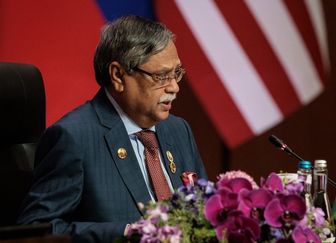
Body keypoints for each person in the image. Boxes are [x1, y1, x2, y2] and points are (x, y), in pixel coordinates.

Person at [17, 15, 207, 242]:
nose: (174, 87)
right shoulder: (74, 138)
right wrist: (124, 234)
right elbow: (37, 229)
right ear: (118, 75)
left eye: (176, 73)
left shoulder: (178, 130)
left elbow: (205, 211)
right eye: (161, 76)